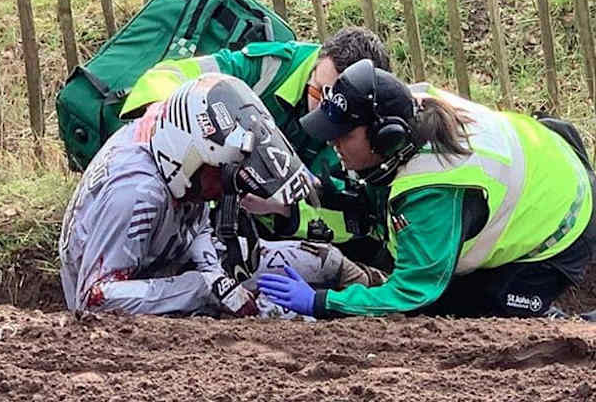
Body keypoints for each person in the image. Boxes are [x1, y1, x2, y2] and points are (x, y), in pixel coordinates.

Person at [258, 59, 596, 322]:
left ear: (386, 135)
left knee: (467, 314)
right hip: (548, 158)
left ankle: (574, 325)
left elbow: (412, 292)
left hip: (563, 222)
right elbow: (363, 211)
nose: (333, 143)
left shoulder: (434, 186)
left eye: (344, 135)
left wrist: (323, 303)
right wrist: (288, 209)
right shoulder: (414, 110)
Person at [59, 74, 384, 316]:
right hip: (141, 291)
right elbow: (94, 299)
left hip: (172, 257)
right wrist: (202, 289)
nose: (229, 185)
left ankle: (382, 289)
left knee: (323, 259)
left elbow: (196, 228)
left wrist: (214, 275)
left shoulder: (173, 147)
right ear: (192, 158)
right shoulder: (135, 194)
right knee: (276, 312)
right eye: (222, 173)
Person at [120, 26, 393, 262]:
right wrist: (164, 112)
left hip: (286, 233)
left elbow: (363, 217)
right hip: (196, 198)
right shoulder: (270, 66)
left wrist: (281, 207)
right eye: (318, 91)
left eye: (338, 114)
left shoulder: (378, 125)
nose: (320, 110)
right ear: (318, 59)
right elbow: (168, 73)